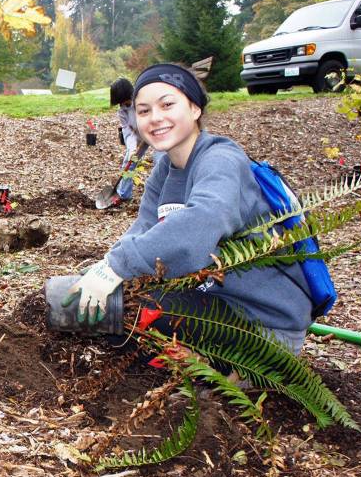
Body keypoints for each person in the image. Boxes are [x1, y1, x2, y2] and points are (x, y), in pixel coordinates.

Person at [64, 63, 312, 355]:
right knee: (85, 300)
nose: (155, 118)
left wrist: (119, 266)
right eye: (143, 111)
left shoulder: (221, 161)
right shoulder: (165, 168)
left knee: (126, 311)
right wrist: (103, 268)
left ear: (195, 108)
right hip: (210, 301)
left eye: (167, 104)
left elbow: (201, 223)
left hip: (260, 323)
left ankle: (228, 376)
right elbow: (144, 229)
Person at [109, 77, 143, 206]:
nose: (124, 105)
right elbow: (127, 132)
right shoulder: (122, 111)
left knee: (161, 160)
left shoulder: (143, 102)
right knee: (129, 161)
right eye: (121, 103)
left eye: (126, 101)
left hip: (156, 133)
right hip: (138, 136)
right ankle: (124, 194)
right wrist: (132, 148)